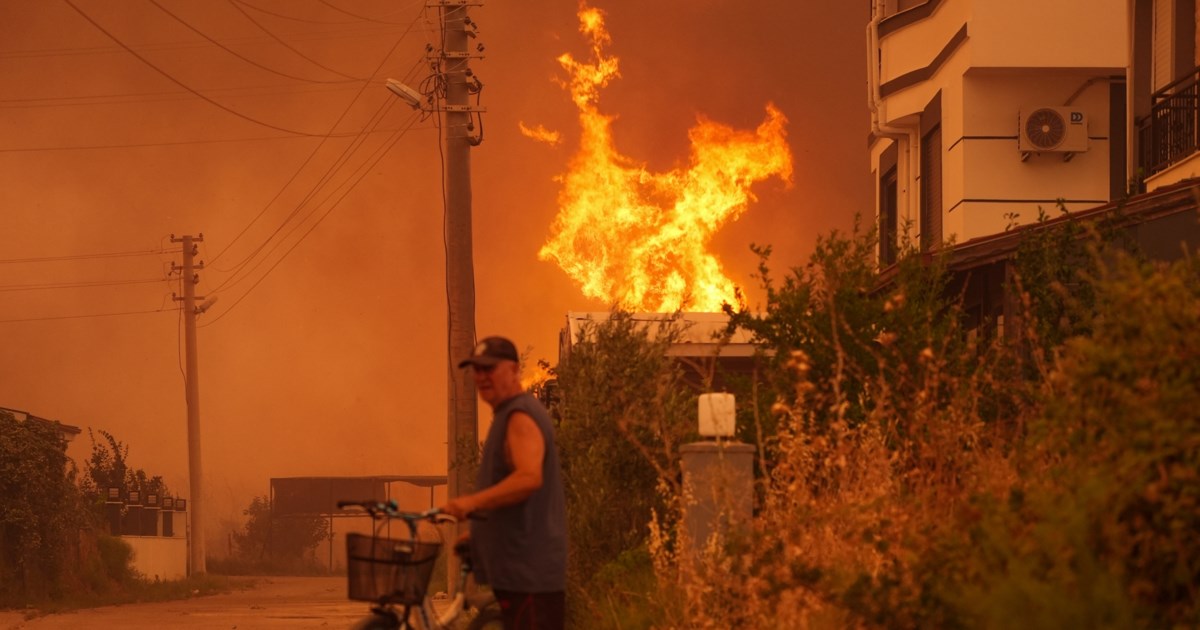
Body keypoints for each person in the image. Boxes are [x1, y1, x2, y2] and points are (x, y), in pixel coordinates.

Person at [439, 336, 567, 630]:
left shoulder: (520, 415)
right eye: (477, 370)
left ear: (513, 370)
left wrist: (470, 503)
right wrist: (481, 536)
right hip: (519, 575)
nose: (481, 376)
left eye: (490, 368)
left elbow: (528, 478)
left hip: (529, 577)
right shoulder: (508, 414)